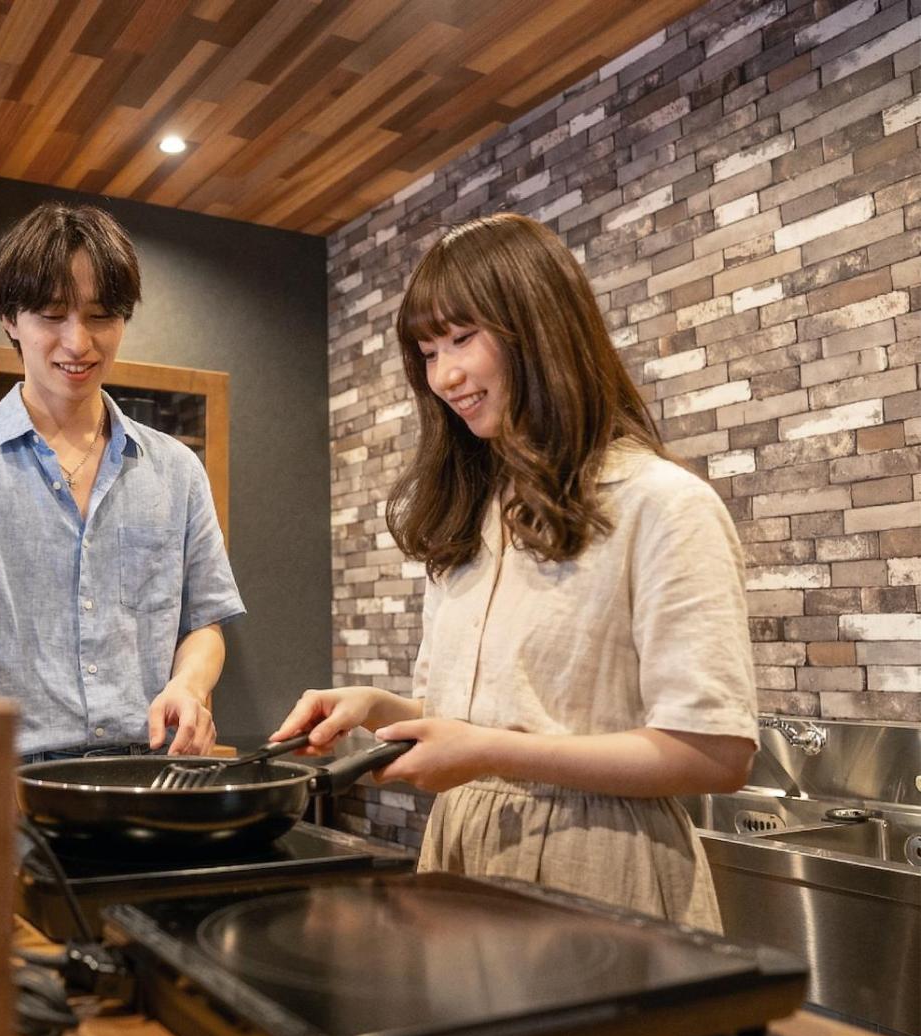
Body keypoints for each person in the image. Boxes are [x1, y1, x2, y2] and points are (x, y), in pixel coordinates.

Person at [273, 213, 758, 931]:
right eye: (429, 352)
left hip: (602, 870)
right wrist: (378, 708)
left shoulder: (661, 503)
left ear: (540, 328)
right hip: (463, 857)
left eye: (464, 338)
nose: (446, 376)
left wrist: (491, 753)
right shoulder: (470, 515)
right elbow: (479, 718)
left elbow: (715, 756)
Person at [0, 202, 244, 760]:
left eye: (101, 316)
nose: (78, 343)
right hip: (6, 773)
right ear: (9, 319)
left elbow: (203, 624)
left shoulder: (177, 469)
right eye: (51, 315)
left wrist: (188, 686)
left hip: (151, 772)